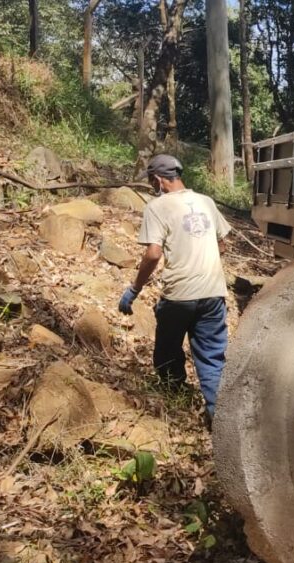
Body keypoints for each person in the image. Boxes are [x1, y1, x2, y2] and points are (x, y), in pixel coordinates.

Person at [118, 154, 232, 423]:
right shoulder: (207, 202)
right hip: (213, 293)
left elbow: (153, 254)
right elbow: (223, 245)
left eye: (151, 182)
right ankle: (220, 418)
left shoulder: (157, 207)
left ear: (158, 180)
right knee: (213, 357)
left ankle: (174, 403)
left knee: (167, 351)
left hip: (179, 295)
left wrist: (134, 289)